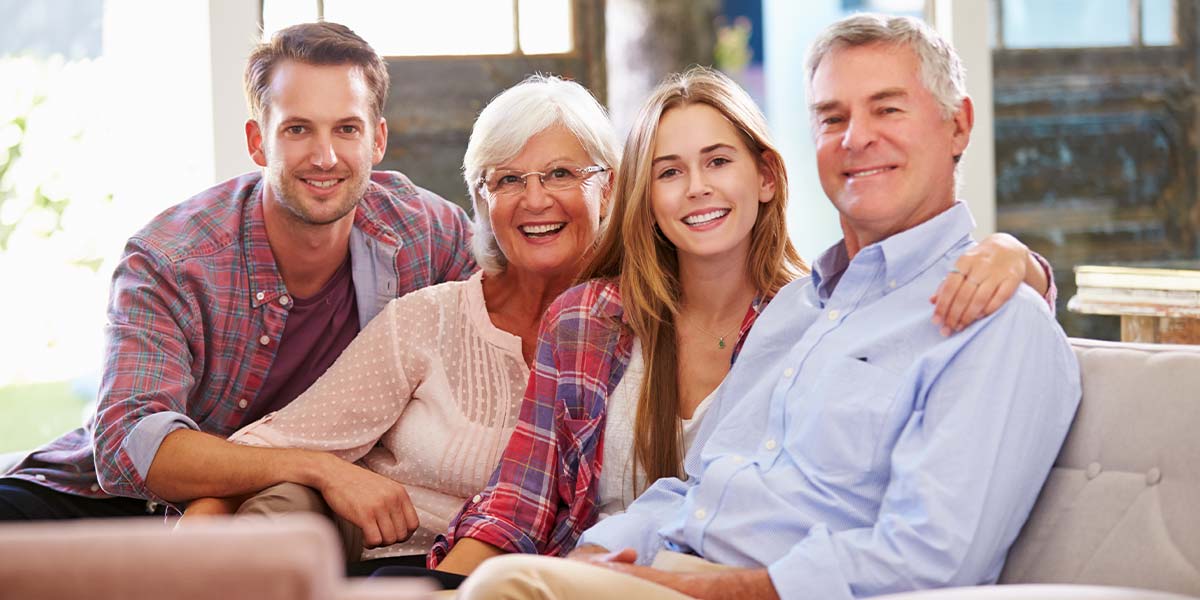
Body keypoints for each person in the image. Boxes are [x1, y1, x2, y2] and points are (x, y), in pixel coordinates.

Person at [454, 15, 1081, 599]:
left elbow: (933, 559)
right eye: (832, 118)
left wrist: (691, 587)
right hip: (666, 566)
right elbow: (694, 488)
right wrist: (600, 552)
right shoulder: (803, 311)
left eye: (887, 108)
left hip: (743, 590)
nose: (857, 138)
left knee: (508, 589)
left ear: (959, 125)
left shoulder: (995, 318)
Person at [0, 22, 474, 521]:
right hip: (120, 504)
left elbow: (519, 313)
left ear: (377, 140)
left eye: (346, 129)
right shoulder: (173, 258)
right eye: (297, 129)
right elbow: (129, 447)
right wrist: (319, 469)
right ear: (257, 141)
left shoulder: (425, 233)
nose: (325, 156)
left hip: (286, 512)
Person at [180, 75, 620, 580]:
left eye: (560, 173)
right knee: (281, 504)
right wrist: (183, 562)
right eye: (508, 180)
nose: (535, 200)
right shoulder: (429, 318)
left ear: (606, 189)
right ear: (482, 199)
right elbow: (273, 446)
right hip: (390, 562)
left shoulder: (638, 326)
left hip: (529, 576)